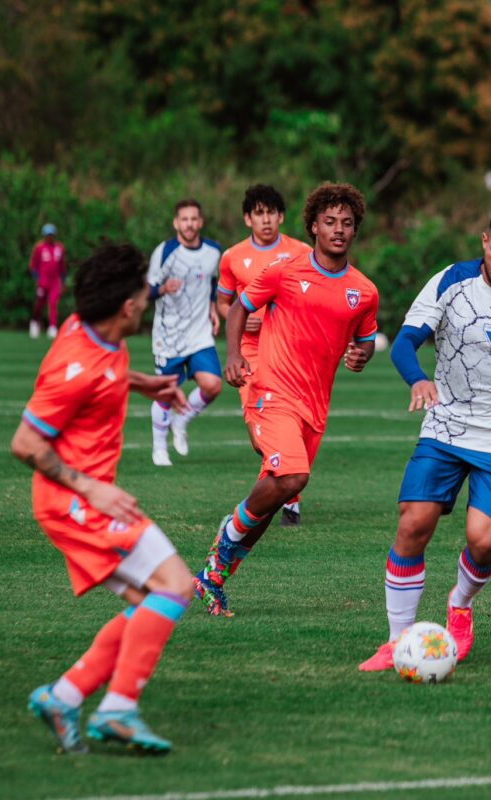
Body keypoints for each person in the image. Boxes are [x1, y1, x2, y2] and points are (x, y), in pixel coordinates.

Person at [358, 202, 491, 672]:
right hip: (446, 423)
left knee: (484, 541)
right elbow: (407, 340)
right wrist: (416, 378)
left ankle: (461, 603)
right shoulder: (451, 282)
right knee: (413, 522)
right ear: (484, 241)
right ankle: (397, 642)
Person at [12, 243, 193, 754]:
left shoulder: (100, 332)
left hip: (84, 501)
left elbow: (104, 374)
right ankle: (117, 710)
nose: (148, 300)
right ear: (129, 308)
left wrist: (144, 385)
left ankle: (63, 697)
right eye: (144, 294)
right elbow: (25, 443)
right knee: (176, 585)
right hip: (76, 503)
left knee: (147, 608)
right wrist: (91, 486)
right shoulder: (75, 363)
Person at [193, 183, 379, 617]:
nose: (338, 230)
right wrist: (235, 354)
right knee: (293, 476)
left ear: (355, 231)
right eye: (329, 222)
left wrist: (360, 355)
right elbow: (238, 307)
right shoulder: (285, 270)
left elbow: (366, 338)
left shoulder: (363, 291)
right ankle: (226, 535)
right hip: (270, 389)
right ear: (313, 226)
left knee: (277, 492)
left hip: (314, 407)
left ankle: (213, 577)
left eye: (347, 224)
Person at [216, 184, 312, 524]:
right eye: (259, 213)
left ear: (281, 216)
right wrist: (242, 319)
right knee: (261, 436)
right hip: (251, 353)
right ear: (247, 218)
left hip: (290, 351)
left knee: (290, 423)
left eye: (272, 212)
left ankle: (290, 501)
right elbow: (224, 303)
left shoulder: (300, 252)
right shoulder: (232, 257)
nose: (266, 219)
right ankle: (275, 486)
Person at [146, 200, 224, 466]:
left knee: (213, 385)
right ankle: (159, 448)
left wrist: (213, 307)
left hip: (200, 334)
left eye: (194, 219)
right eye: (184, 219)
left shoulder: (214, 251)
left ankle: (182, 420)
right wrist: (162, 289)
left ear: (200, 222)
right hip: (169, 337)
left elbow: (214, 281)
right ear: (176, 223)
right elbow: (146, 290)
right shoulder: (165, 252)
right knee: (166, 393)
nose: (189, 224)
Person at [29, 223, 66, 339]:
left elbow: (62, 267)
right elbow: (33, 266)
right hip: (43, 281)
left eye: (51, 235)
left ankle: (53, 327)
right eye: (47, 235)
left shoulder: (59, 248)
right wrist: (36, 279)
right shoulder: (39, 248)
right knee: (39, 304)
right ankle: (34, 322)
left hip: (55, 282)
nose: (50, 237)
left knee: (53, 303)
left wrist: (63, 282)